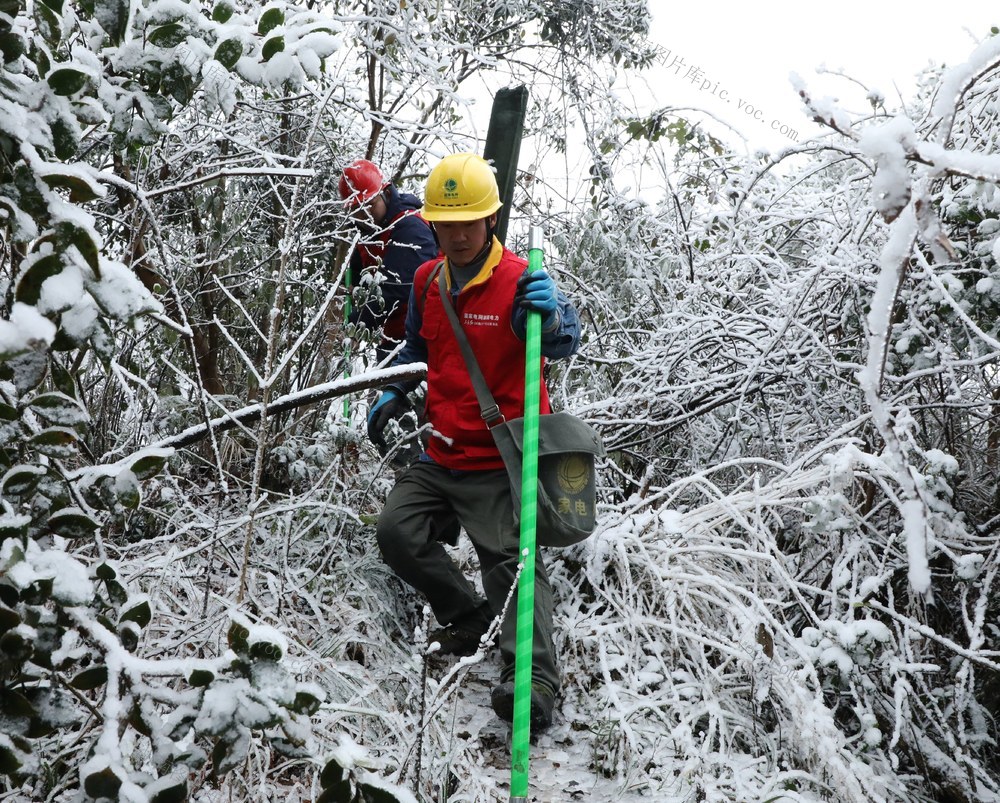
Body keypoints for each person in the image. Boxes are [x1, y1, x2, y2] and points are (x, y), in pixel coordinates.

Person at [365, 153, 581, 730]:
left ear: (491, 220)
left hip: (496, 459)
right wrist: (392, 390)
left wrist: (555, 318)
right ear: (431, 222)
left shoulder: (518, 281)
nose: (458, 235)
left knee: (509, 563)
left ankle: (531, 679)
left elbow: (561, 341)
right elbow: (416, 351)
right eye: (446, 223)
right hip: (440, 450)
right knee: (397, 534)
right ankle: (467, 616)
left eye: (470, 222)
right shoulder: (426, 280)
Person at [339, 158, 439, 364]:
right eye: (356, 209)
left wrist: (358, 324)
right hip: (392, 334)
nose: (363, 215)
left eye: (369, 205)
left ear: (384, 193)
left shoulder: (410, 227)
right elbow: (360, 272)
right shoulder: (368, 230)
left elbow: (397, 288)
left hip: (423, 337)